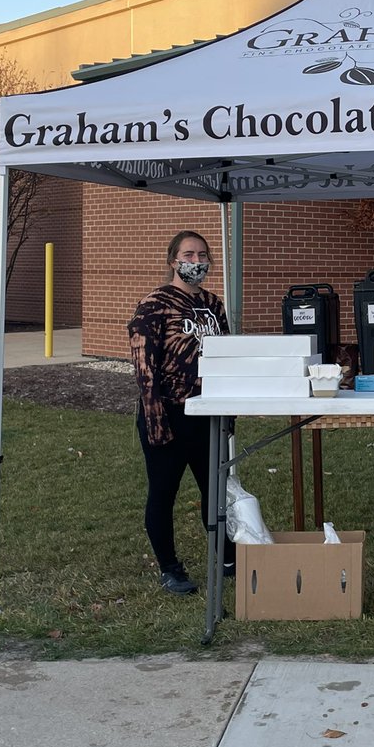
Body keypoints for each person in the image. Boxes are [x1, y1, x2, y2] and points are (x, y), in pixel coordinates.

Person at [128, 231, 236, 595]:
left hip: (209, 412)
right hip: (168, 414)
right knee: (163, 491)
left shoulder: (213, 304)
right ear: (173, 260)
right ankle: (170, 568)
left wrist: (229, 408)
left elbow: (226, 357)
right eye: (188, 254)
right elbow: (145, 366)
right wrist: (155, 416)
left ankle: (226, 556)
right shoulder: (154, 304)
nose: (196, 260)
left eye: (202, 254)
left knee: (215, 489)